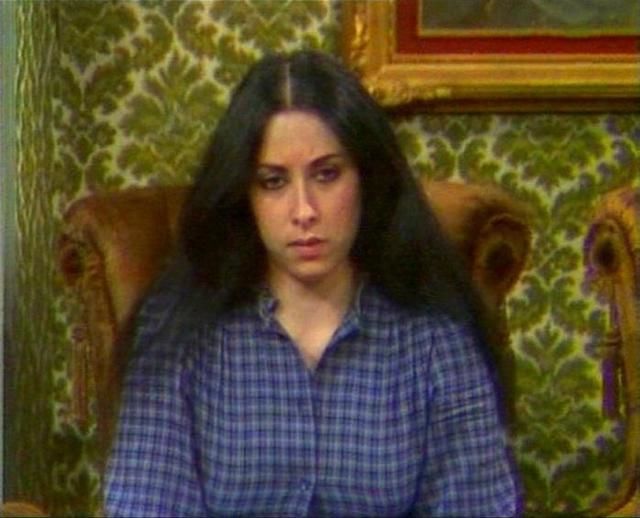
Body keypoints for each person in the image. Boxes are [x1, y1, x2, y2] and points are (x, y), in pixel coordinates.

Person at [104, 49, 520, 517]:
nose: (304, 211)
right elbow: (148, 506)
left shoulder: (433, 338)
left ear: (367, 180)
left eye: (326, 175)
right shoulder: (178, 332)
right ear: (244, 195)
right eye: (273, 182)